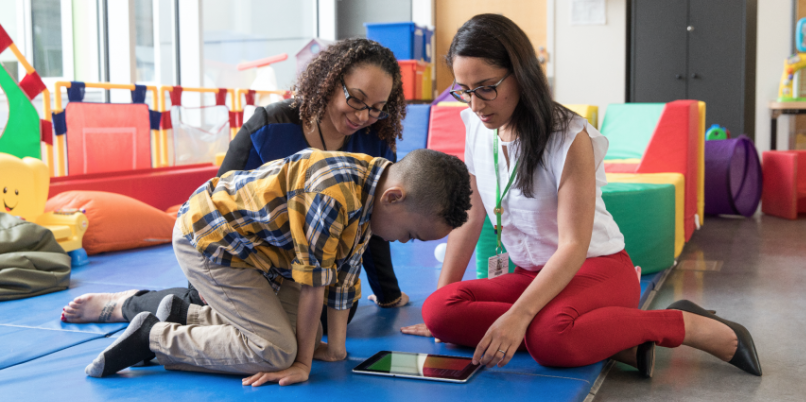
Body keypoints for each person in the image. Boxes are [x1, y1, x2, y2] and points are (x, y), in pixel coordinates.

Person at [400, 14, 761, 378]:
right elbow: (471, 216)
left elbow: (574, 245)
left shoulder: (569, 137)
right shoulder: (476, 127)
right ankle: (615, 339)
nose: (475, 105)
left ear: (521, 74)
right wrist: (440, 307)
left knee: (549, 341)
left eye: (486, 87)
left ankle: (680, 323)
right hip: (532, 275)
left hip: (596, 270)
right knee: (439, 310)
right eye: (464, 90)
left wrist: (519, 315)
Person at [61, 38, 412, 329]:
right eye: (356, 100)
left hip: (310, 266)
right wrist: (201, 292)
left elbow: (374, 225)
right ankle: (129, 303)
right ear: (329, 82)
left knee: (332, 314)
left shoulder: (374, 144)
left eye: (378, 108)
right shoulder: (269, 127)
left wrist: (387, 293)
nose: (364, 116)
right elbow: (212, 210)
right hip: (251, 257)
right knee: (241, 321)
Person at [84, 147, 473, 384]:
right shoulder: (333, 195)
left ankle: (188, 315)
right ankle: (152, 339)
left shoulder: (371, 186)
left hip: (254, 254)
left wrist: (335, 349)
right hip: (211, 241)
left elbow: (343, 277)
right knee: (275, 352)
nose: (403, 242)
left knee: (293, 337)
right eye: (411, 234)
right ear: (394, 198)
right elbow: (312, 286)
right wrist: (302, 362)